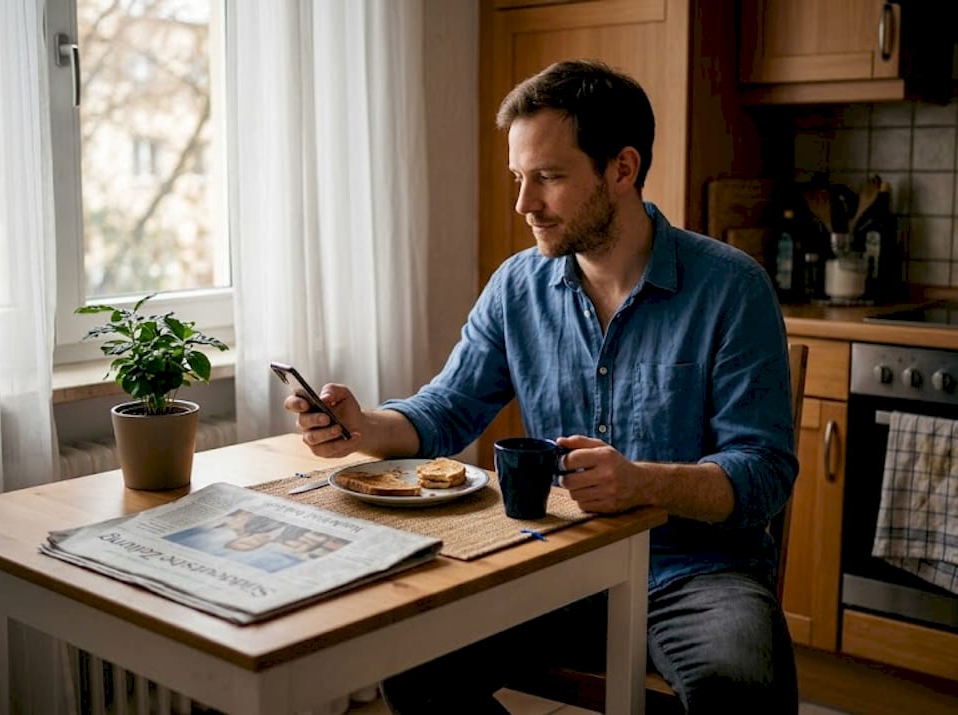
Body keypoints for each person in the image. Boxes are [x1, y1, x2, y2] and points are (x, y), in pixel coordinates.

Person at [284, 58, 798, 714]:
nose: (525, 203)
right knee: (414, 665)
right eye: (519, 178)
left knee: (742, 694)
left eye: (549, 178)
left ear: (621, 169)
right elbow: (448, 408)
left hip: (696, 572)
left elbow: (762, 473)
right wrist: (363, 427)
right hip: (557, 563)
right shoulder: (517, 285)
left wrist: (642, 483)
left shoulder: (731, 288)